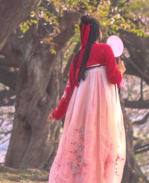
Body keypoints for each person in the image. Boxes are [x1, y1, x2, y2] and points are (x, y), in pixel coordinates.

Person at [47, 15, 126, 182]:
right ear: (98, 33)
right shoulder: (105, 49)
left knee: (83, 143)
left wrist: (57, 113)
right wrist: (121, 71)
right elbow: (113, 77)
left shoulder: (76, 58)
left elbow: (68, 90)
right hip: (103, 108)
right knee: (101, 144)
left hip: (82, 110)